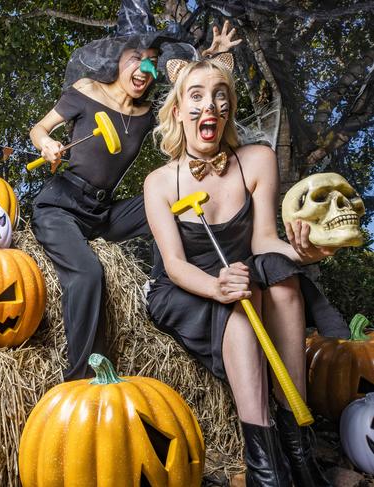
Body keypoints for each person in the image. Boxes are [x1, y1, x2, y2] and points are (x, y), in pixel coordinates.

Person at [143, 53, 347, 486]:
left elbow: (264, 242)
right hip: (188, 287)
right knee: (244, 291)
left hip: (243, 270)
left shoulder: (256, 159)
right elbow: (176, 266)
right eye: (196, 96)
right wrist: (217, 286)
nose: (210, 106)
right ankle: (265, 467)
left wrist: (310, 254)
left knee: (277, 275)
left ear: (229, 110)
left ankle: (299, 441)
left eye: (221, 97)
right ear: (178, 111)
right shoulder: (159, 182)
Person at [30, 0, 241, 381]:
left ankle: (166, 287)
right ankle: (78, 378)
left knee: (171, 203)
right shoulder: (86, 90)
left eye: (151, 59)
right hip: (61, 205)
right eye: (135, 58)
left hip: (102, 212)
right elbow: (38, 129)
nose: (144, 68)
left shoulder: (147, 113)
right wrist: (47, 144)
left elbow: (193, 87)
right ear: (117, 58)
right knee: (88, 273)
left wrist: (213, 55)